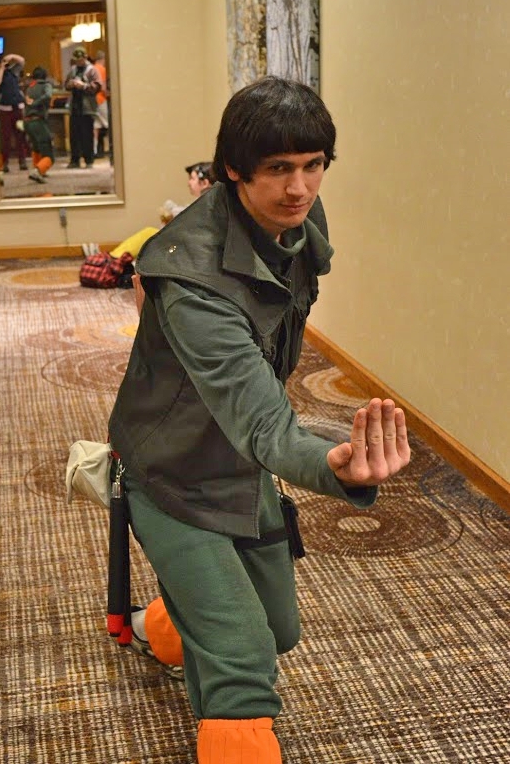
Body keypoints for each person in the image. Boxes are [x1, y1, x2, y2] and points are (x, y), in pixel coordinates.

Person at [108, 76, 411, 763]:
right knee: (244, 657)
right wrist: (331, 465)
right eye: (277, 169)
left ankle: (170, 618)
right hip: (170, 469)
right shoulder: (193, 282)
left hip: (240, 460)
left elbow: (261, 402)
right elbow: (264, 420)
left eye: (313, 165)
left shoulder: (296, 219)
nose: (298, 189)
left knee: (277, 629)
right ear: (233, 171)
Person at [64, 47, 101, 168]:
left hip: (87, 108)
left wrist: (83, 86)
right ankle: (75, 160)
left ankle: (89, 160)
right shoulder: (73, 69)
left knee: (87, 135)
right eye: (76, 60)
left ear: (85, 58)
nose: (78, 62)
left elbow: (97, 87)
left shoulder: (92, 70)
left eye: (80, 60)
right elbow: (66, 84)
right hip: (74, 107)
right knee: (74, 135)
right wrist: (70, 84)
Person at [0, 53, 28, 172]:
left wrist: (12, 56)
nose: (6, 63)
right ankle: (5, 163)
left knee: (20, 135)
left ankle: (22, 161)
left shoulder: (14, 71)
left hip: (17, 108)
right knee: (6, 138)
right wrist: (2, 68)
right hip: (5, 109)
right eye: (2, 61)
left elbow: (22, 61)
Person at [24, 67, 55, 184]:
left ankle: (38, 170)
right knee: (49, 153)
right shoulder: (46, 85)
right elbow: (48, 95)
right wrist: (37, 103)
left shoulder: (29, 87)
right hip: (38, 121)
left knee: (36, 147)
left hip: (27, 122)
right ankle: (38, 170)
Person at [92, 50, 109, 159]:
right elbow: (103, 87)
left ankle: (94, 149)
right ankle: (110, 147)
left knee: (96, 125)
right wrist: (109, 94)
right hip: (101, 99)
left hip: (93, 100)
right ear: (103, 59)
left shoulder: (92, 68)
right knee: (107, 123)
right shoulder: (102, 69)